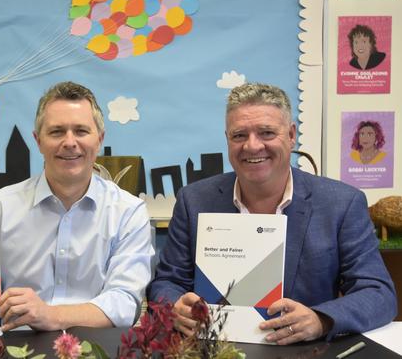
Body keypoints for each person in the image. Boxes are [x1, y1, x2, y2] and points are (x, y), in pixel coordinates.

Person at [147, 83, 396, 345]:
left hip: (302, 351)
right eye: (239, 135)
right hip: (215, 349)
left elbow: (378, 293)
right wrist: (176, 305)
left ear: (291, 135)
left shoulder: (341, 204)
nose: (252, 146)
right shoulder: (193, 201)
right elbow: (166, 283)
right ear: (227, 139)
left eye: (266, 132)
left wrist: (320, 319)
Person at [0, 81, 154, 331]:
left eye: (81, 131)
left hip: (98, 349)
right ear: (38, 141)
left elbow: (125, 303)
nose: (69, 142)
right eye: (56, 132)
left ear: (99, 140)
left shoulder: (128, 212)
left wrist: (51, 315)